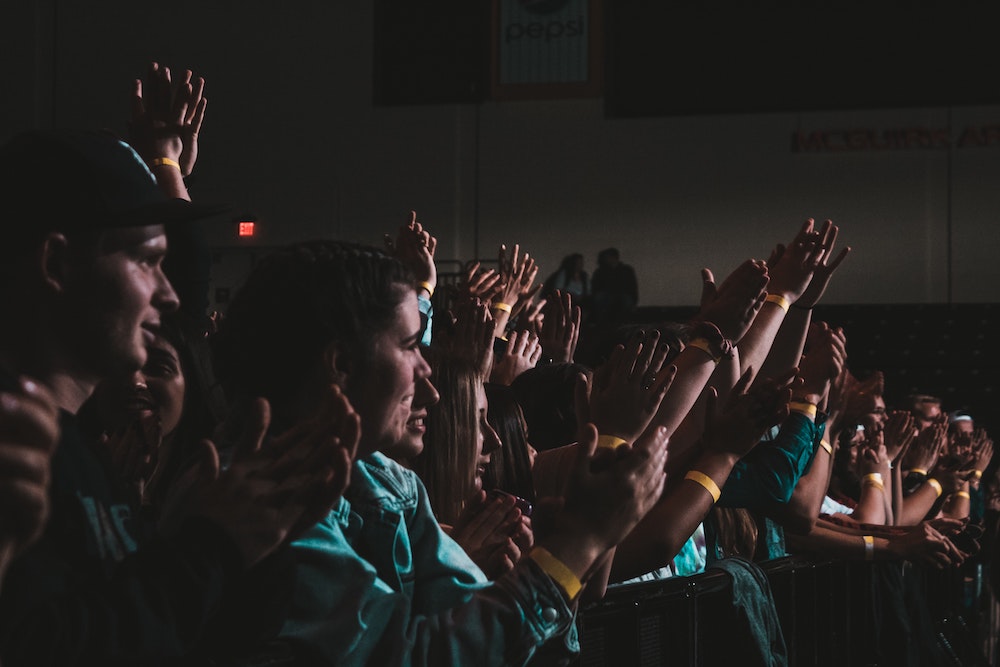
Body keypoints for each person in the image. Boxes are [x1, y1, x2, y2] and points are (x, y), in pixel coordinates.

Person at [210, 239, 671, 665]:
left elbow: (503, 644)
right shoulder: (257, 506)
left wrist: (544, 562)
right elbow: (418, 657)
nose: (430, 388)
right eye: (411, 346)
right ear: (342, 364)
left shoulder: (391, 483)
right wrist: (577, 544)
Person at [0, 128, 351, 666]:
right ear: (57, 265)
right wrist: (208, 550)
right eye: (147, 261)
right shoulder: (15, 448)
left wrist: (255, 550)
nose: (167, 293)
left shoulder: (84, 453)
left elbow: (175, 642)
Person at [590, 247, 638, 324]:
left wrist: (634, 301)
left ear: (614, 257)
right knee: (600, 298)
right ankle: (601, 324)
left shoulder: (626, 270)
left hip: (622, 294)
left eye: (608, 257)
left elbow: (632, 286)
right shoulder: (601, 271)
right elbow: (596, 287)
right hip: (608, 295)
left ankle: (622, 324)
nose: (606, 260)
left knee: (626, 300)